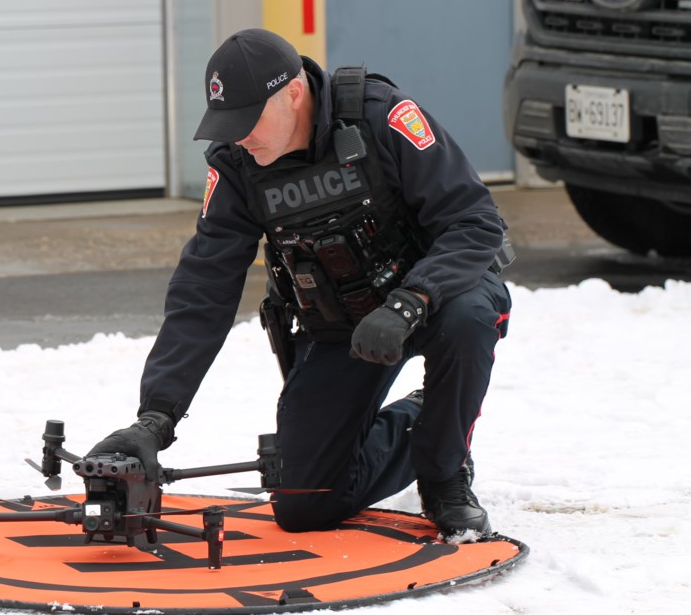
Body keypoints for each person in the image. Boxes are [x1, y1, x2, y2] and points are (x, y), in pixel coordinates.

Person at [88, 28, 513, 538]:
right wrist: (155, 417)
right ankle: (426, 415)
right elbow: (204, 289)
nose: (239, 135)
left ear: (292, 92)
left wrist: (410, 302)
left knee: (468, 319)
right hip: (340, 324)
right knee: (304, 505)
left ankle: (444, 476)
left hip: (432, 299)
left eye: (247, 120)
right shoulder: (237, 168)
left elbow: (474, 222)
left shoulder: (382, 117)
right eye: (228, 123)